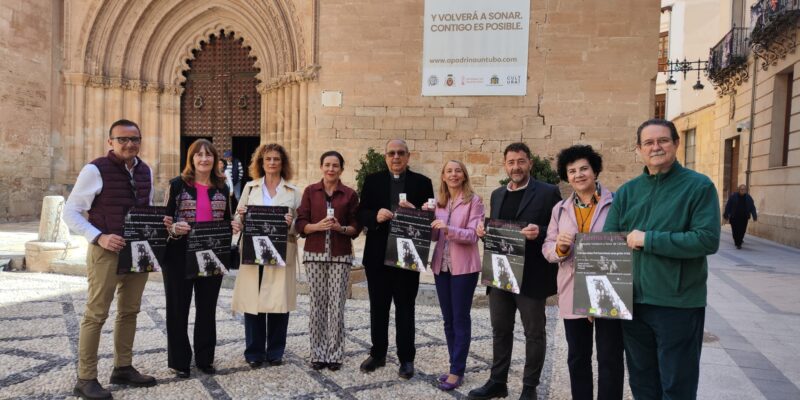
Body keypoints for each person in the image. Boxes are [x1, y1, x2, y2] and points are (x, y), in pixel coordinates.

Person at [604, 119, 720, 399]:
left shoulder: (698, 187)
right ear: (639, 149)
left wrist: (649, 239)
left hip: (677, 303)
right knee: (642, 382)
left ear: (676, 144)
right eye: (648, 142)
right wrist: (601, 299)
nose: (656, 147)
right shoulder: (628, 191)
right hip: (633, 303)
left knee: (677, 383)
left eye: (663, 141)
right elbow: (610, 240)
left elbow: (706, 239)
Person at [63, 119, 157, 399]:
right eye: (123, 139)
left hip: (137, 250)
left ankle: (123, 367)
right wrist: (99, 236)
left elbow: (145, 208)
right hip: (106, 251)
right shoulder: (95, 169)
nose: (130, 144)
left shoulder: (145, 170)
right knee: (96, 314)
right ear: (110, 142)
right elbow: (70, 212)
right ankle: (86, 378)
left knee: (130, 311)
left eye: (135, 139)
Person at [470, 142, 561, 400]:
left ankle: (529, 388)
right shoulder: (498, 194)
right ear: (505, 165)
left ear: (530, 163)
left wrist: (540, 232)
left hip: (532, 276)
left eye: (521, 161)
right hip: (500, 273)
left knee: (533, 332)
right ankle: (497, 382)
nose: (516, 167)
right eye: (511, 162)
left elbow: (557, 229)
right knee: (500, 329)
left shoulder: (548, 192)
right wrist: (483, 233)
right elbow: (499, 232)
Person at [542, 145, 624, 400]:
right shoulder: (560, 209)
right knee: (578, 356)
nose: (578, 174)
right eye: (572, 171)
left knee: (610, 356)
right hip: (572, 289)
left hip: (608, 288)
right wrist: (561, 248)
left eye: (584, 169)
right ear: (567, 177)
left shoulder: (617, 203)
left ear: (595, 171)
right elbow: (547, 248)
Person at [162, 139, 240, 378]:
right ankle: (180, 362)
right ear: (191, 158)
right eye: (199, 155)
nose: (204, 159)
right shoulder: (176, 185)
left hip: (211, 254)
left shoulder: (222, 187)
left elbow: (227, 218)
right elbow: (164, 220)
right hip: (178, 254)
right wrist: (174, 228)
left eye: (208, 155)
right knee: (178, 309)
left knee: (206, 309)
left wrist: (233, 225)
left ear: (215, 159)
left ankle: (205, 359)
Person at [356, 139, 434, 379]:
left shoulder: (423, 183)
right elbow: (361, 213)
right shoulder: (372, 181)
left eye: (401, 153)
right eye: (392, 153)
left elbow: (429, 217)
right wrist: (375, 216)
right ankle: (378, 353)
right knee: (378, 308)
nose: (396, 157)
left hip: (407, 256)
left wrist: (416, 212)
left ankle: (406, 359)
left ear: (408, 156)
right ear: (385, 157)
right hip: (378, 256)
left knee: (405, 308)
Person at [231, 143, 301, 368]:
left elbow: (300, 226)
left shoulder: (293, 192)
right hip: (253, 251)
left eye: (276, 159)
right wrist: (240, 218)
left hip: (281, 253)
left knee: (279, 302)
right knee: (253, 301)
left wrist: (291, 225)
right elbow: (237, 220)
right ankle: (254, 352)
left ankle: (276, 351)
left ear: (283, 163)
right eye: (268, 159)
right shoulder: (250, 189)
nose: (272, 163)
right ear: (261, 162)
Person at [295, 151, 362, 371]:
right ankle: (317, 353)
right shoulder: (310, 191)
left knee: (336, 306)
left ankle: (334, 354)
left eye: (335, 165)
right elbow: (301, 223)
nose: (331, 169)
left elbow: (355, 227)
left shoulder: (349, 194)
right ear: (321, 167)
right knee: (317, 306)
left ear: (341, 169)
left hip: (340, 256)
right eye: (327, 165)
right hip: (314, 254)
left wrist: (339, 228)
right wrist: (318, 226)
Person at [422, 160, 484, 391]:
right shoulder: (438, 202)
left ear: (464, 175)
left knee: (460, 318)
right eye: (449, 170)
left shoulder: (474, 201)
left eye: (458, 170)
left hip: (464, 268)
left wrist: (449, 230)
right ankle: (453, 365)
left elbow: (472, 236)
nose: (454, 174)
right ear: (443, 175)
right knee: (448, 319)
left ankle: (458, 370)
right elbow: (432, 238)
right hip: (442, 267)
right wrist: (421, 219)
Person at [723, 184, 757, 249]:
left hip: (744, 217)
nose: (743, 190)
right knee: (735, 230)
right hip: (734, 217)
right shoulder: (733, 196)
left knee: (742, 230)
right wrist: (726, 215)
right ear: (739, 190)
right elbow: (728, 206)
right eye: (741, 189)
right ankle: (737, 241)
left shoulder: (748, 197)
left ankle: (739, 242)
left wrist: (754, 216)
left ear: (746, 190)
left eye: (744, 189)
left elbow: (752, 207)